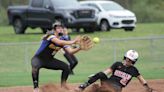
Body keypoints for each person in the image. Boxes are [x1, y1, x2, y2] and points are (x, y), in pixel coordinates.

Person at [31, 22, 81, 92]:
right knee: (35, 67)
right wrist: (73, 41)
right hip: (38, 58)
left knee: (66, 67)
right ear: (54, 30)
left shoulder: (63, 40)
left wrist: (80, 48)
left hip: (49, 60)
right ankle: (36, 88)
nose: (61, 29)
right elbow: (59, 42)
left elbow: (70, 51)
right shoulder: (51, 36)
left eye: (61, 28)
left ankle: (63, 85)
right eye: (58, 28)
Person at [75, 50, 153, 92]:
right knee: (101, 74)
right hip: (107, 83)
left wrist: (147, 87)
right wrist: (97, 75)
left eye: (131, 60)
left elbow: (141, 79)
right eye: (127, 58)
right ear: (125, 57)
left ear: (134, 61)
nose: (128, 60)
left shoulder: (134, 70)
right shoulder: (117, 64)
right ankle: (82, 87)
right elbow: (107, 72)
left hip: (117, 88)